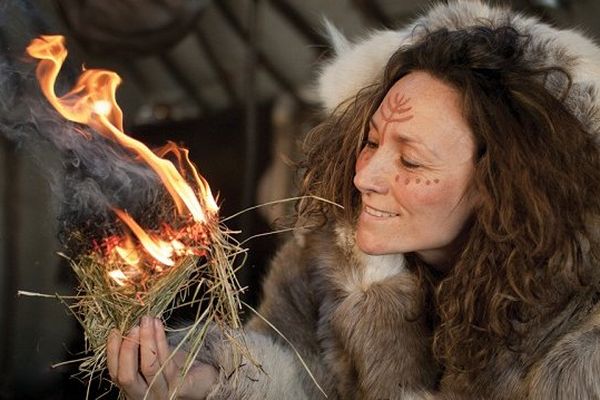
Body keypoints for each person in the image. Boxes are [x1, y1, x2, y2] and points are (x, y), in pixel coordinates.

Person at [106, 1, 600, 399]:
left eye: (411, 162)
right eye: (371, 140)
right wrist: (211, 384)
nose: (365, 176)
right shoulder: (329, 255)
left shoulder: (583, 328)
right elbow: (299, 375)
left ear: (504, 185)